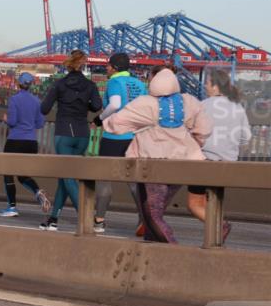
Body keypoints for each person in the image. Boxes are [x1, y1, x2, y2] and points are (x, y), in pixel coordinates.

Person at [103, 68, 212, 244]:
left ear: (153, 82)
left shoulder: (145, 103)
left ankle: (171, 248)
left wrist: (107, 123)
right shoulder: (190, 101)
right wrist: (194, 144)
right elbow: (204, 130)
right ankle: (153, 247)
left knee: (151, 213)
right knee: (155, 212)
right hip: (183, 162)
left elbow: (116, 124)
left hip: (152, 163)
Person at [38, 50, 102, 231]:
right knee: (64, 179)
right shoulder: (90, 85)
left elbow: (44, 109)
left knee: (67, 176)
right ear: (83, 64)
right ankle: (53, 219)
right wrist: (84, 104)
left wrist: (61, 101)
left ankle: (86, 217)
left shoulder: (60, 84)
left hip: (64, 133)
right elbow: (97, 106)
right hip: (82, 134)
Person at [185, 69, 250, 242]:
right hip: (228, 163)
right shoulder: (238, 107)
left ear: (215, 86)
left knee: (194, 204)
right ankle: (213, 238)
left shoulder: (203, 105)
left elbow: (191, 131)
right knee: (212, 202)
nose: (205, 86)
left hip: (205, 161)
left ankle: (221, 226)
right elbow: (245, 138)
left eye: (207, 83)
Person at [91, 53, 148, 233]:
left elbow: (114, 104)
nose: (106, 68)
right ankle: (144, 220)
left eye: (108, 65)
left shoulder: (114, 82)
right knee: (134, 182)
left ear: (115, 67)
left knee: (104, 178)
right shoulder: (140, 84)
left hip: (114, 137)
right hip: (134, 137)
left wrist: (99, 119)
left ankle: (99, 220)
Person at [0, 72, 52, 217]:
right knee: (23, 175)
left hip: (15, 141)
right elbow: (40, 123)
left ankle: (12, 207)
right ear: (31, 84)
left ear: (18, 83)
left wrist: (5, 119)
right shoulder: (37, 101)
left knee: (8, 173)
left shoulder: (14, 99)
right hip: (31, 142)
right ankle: (38, 192)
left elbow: (13, 122)